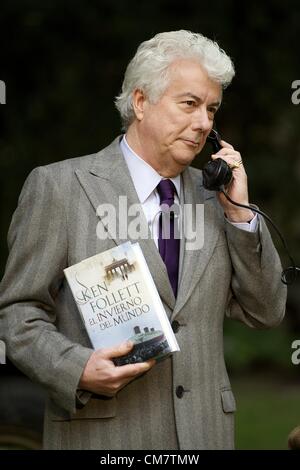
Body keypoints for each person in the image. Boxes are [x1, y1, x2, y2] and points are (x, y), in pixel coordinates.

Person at [0, 30, 287, 450]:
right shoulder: (59, 187)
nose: (204, 122)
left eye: (211, 109)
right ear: (140, 102)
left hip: (205, 435)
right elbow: (17, 311)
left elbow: (266, 312)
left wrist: (241, 215)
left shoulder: (219, 199)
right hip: (104, 435)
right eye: (189, 104)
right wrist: (76, 368)